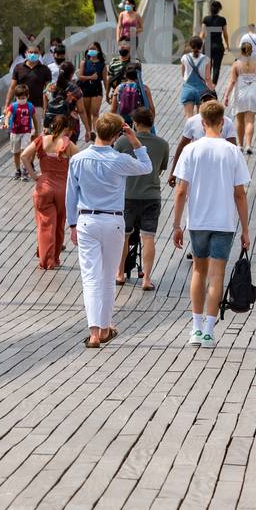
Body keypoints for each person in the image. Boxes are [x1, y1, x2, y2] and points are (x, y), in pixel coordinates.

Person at [65, 112, 152, 348]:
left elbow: (71, 195)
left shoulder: (78, 159)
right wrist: (134, 140)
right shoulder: (119, 159)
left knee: (90, 276)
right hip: (113, 221)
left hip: (87, 220)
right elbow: (146, 167)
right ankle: (105, 327)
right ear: (116, 135)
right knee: (107, 277)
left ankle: (94, 330)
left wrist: (72, 224)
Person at [171, 100, 250, 348]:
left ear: (202, 122)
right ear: (224, 122)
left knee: (198, 271)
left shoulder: (191, 150)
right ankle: (208, 331)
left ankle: (194, 328)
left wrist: (176, 224)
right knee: (217, 275)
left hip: (198, 221)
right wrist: (246, 229)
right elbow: (240, 193)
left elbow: (181, 190)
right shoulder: (232, 152)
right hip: (224, 222)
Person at [115, 105, 169, 290]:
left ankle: (120, 273)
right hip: (151, 196)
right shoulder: (163, 144)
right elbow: (161, 168)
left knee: (124, 236)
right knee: (148, 237)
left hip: (127, 195)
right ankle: (146, 279)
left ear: (135, 124)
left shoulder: (122, 142)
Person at [23, 115, 79, 269]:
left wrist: (34, 176)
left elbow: (24, 156)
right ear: (67, 129)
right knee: (59, 224)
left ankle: (46, 261)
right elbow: (80, 164)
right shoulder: (69, 145)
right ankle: (54, 258)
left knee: (45, 224)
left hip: (43, 187)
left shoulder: (42, 140)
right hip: (63, 189)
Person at [167, 88, 237, 187]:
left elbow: (233, 150)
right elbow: (182, 146)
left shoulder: (228, 122)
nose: (208, 103)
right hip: (198, 169)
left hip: (219, 169)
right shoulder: (192, 121)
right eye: (205, 101)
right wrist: (173, 172)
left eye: (211, 100)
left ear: (217, 102)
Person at [223, 40, 256, 155]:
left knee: (239, 121)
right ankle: (249, 145)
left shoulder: (236, 64)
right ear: (252, 51)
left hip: (239, 95)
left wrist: (226, 96)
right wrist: (253, 80)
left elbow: (232, 82)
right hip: (253, 95)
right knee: (250, 121)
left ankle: (240, 145)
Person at [4, 84, 41, 180]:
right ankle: (18, 170)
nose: (21, 99)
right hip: (15, 132)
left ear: (27, 96)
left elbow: (35, 119)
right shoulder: (13, 106)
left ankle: (25, 170)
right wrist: (6, 123)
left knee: (25, 151)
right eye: (19, 98)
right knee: (16, 152)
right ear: (16, 97)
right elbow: (7, 116)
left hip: (26, 132)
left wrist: (36, 131)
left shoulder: (30, 106)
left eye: (23, 97)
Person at [76, 43, 107, 137]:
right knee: (87, 112)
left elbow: (105, 79)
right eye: (90, 49)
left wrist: (108, 92)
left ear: (98, 50)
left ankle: (96, 131)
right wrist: (91, 77)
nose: (91, 51)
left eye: (93, 49)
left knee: (95, 112)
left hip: (97, 90)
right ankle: (89, 131)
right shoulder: (84, 62)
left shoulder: (102, 64)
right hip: (85, 90)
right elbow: (80, 77)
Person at [43, 67, 82, 143]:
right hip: (66, 121)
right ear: (71, 75)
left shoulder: (51, 87)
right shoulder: (73, 88)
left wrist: (45, 108)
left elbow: (44, 94)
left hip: (51, 120)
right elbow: (81, 110)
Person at [10, 44, 53, 109]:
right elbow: (12, 88)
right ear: (26, 53)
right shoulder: (18, 68)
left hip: (38, 106)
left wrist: (47, 107)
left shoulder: (45, 69)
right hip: (20, 106)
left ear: (39, 54)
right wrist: (6, 105)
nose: (33, 54)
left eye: (36, 52)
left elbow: (48, 89)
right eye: (30, 52)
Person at [199, 0, 229, 86]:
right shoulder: (222, 20)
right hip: (218, 45)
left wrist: (198, 43)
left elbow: (202, 33)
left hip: (208, 45)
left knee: (208, 66)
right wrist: (227, 44)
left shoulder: (206, 19)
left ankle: (206, 84)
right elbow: (225, 33)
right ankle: (213, 86)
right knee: (216, 67)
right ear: (219, 9)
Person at [179, 35, 210, 117]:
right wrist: (211, 88)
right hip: (202, 90)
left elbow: (183, 73)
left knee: (189, 116)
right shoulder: (206, 59)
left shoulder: (185, 57)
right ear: (201, 46)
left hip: (188, 88)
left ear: (190, 45)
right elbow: (207, 77)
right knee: (201, 117)